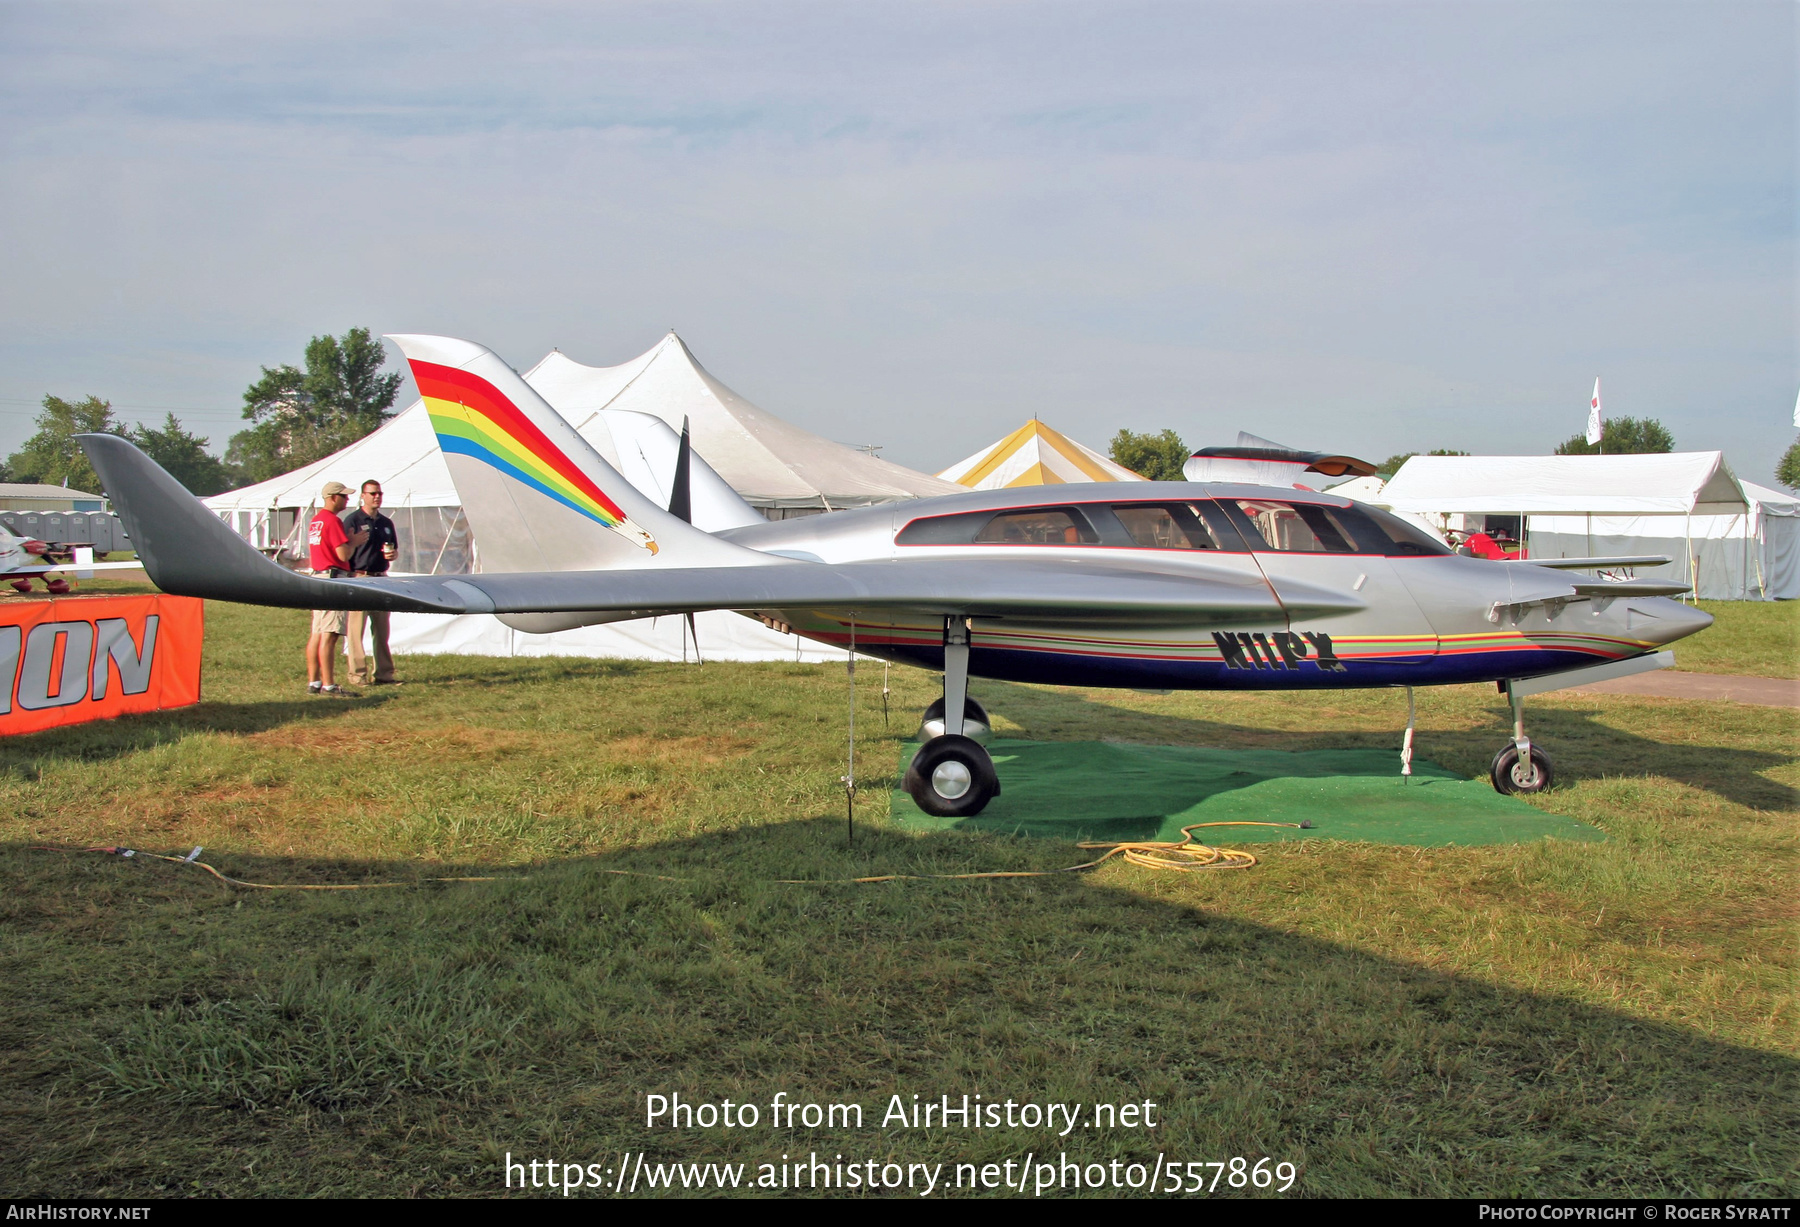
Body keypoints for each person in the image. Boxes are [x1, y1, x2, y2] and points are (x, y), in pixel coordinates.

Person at [306, 481, 368, 695]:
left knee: (316, 633)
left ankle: (314, 682)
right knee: (330, 634)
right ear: (333, 498)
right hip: (333, 579)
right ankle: (329, 685)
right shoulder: (332, 521)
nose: (347, 499)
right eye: (343, 496)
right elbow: (343, 555)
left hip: (318, 577)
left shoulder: (316, 521)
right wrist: (353, 542)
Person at [343, 479, 400, 686]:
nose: (377, 497)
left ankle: (384, 674)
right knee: (356, 630)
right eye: (373, 493)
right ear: (363, 496)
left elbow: (393, 548)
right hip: (360, 577)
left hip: (381, 578)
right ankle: (358, 675)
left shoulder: (386, 523)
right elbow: (344, 551)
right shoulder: (353, 520)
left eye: (379, 493)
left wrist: (393, 555)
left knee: (382, 630)